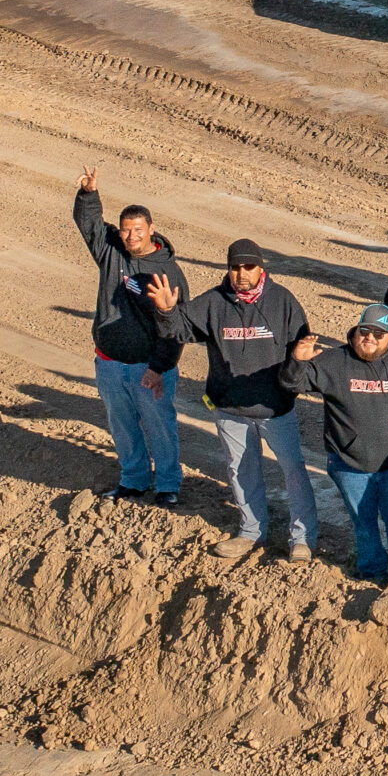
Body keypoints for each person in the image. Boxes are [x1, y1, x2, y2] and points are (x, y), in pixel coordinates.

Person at [145, 241, 315, 562]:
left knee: (293, 470)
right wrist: (167, 311)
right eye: (235, 267)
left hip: (275, 408)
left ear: (261, 269)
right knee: (240, 470)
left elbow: (301, 351)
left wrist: (295, 379)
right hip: (228, 408)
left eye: (248, 267)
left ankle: (302, 538)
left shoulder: (283, 302)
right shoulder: (213, 303)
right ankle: (251, 531)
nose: (241, 274)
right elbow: (181, 330)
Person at [278, 304, 388, 586]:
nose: (369, 337)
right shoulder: (334, 361)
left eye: (378, 333)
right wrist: (297, 360)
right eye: (364, 330)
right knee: (364, 524)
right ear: (355, 330)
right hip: (348, 464)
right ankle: (372, 575)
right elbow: (289, 384)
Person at [73, 169, 185, 506]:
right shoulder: (112, 253)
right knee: (121, 426)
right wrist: (89, 195)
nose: (130, 236)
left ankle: (167, 485)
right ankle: (133, 480)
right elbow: (89, 225)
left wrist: (159, 367)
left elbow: (176, 326)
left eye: (137, 230)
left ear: (151, 229)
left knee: (160, 426)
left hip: (148, 369)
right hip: (108, 363)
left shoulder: (167, 271)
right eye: (125, 229)